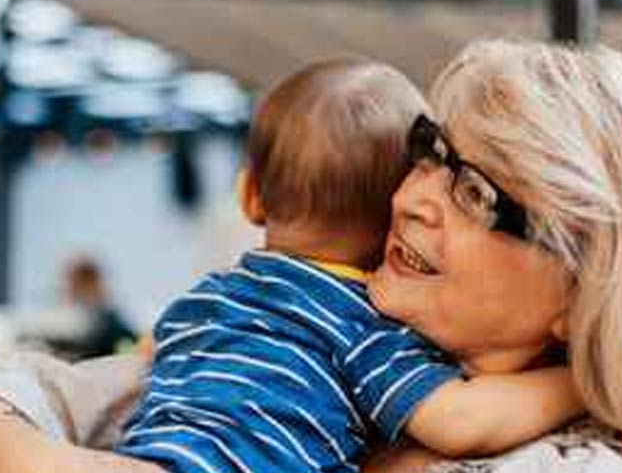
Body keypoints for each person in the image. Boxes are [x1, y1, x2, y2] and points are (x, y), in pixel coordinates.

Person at [0, 39, 622, 473]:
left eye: (474, 192)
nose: (408, 196)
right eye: (431, 154)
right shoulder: (338, 353)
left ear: (588, 292)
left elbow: (0, 413)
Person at [116, 57, 579, 473]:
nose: (418, 199)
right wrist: (580, 388)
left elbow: (142, 367)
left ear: (249, 197)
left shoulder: (210, 294)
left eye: (477, 195)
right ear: (385, 212)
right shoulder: (361, 324)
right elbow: (459, 419)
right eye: (429, 159)